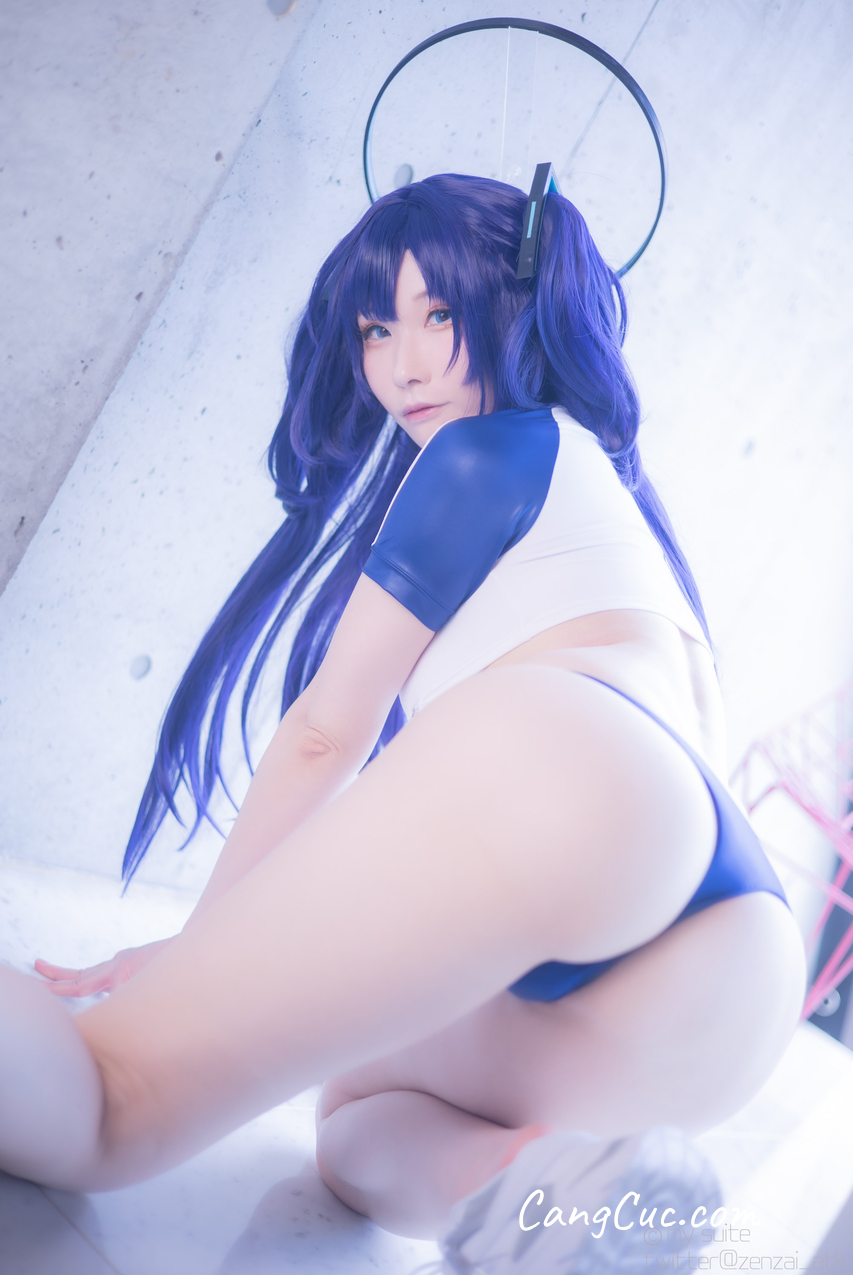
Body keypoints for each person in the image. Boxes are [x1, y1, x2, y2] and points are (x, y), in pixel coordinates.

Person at [2, 174, 804, 1273]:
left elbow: (327, 731)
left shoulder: (485, 454)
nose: (403, 365)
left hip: (578, 776)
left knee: (109, 1096)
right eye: (377, 329)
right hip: (729, 975)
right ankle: (548, 1191)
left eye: (439, 316)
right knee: (355, 1123)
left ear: (514, 308)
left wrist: (201, 952)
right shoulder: (612, 498)